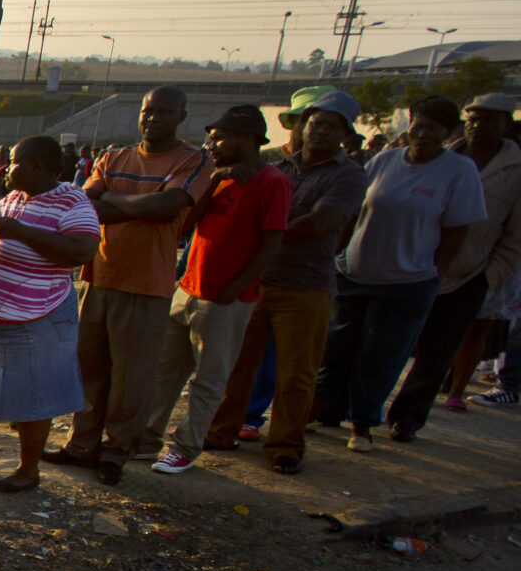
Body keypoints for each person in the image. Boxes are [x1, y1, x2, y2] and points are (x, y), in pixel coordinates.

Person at [47, 87, 210, 483]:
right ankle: (82, 444)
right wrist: (143, 205)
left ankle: (117, 451)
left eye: (164, 112)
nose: (153, 119)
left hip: (146, 283)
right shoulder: (113, 155)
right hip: (99, 276)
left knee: (131, 377)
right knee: (89, 368)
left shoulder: (193, 159)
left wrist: (116, 201)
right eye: (148, 111)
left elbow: (169, 207)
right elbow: (84, 205)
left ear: (181, 116)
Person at [317, 96, 487, 450]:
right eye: (418, 125)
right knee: (336, 349)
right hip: (355, 272)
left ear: (447, 133)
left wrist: (433, 273)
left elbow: (457, 231)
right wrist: (338, 256)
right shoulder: (384, 160)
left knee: (381, 355)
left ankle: (362, 424)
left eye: (432, 129)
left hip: (408, 281)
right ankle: (323, 410)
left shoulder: (459, 171)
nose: (422, 134)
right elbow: (355, 212)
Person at [212, 87, 368, 474]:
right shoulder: (276, 168)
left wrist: (266, 232)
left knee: (296, 374)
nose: (319, 132)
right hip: (258, 280)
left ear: (346, 134)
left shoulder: (350, 177)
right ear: (301, 126)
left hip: (307, 287)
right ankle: (220, 432)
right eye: (314, 123)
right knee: (237, 365)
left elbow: (320, 223)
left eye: (331, 127)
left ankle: (284, 446)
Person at [0, 136, 99, 492]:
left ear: (38, 166)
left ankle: (28, 470)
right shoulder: (14, 197)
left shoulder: (72, 202)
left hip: (33, 318)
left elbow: (83, 250)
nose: (6, 167)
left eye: (14, 161)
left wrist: (22, 233)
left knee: (33, 395)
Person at [151, 106, 293, 475]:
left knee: (208, 379)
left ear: (248, 140)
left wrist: (235, 290)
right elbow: (188, 223)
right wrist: (214, 180)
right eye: (210, 138)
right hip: (188, 290)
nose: (211, 145)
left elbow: (271, 244)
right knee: (166, 372)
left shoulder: (272, 183)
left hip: (225, 300)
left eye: (219, 138)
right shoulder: (219, 177)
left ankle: (185, 446)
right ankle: (146, 438)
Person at [386, 92, 521, 437]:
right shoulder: (441, 158)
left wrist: (489, 277)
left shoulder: (515, 170)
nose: (478, 125)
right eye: (473, 118)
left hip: (469, 274)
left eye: (489, 119)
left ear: (506, 124)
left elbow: (516, 237)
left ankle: (407, 418)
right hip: (411, 265)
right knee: (392, 343)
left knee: (437, 351)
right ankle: (366, 409)